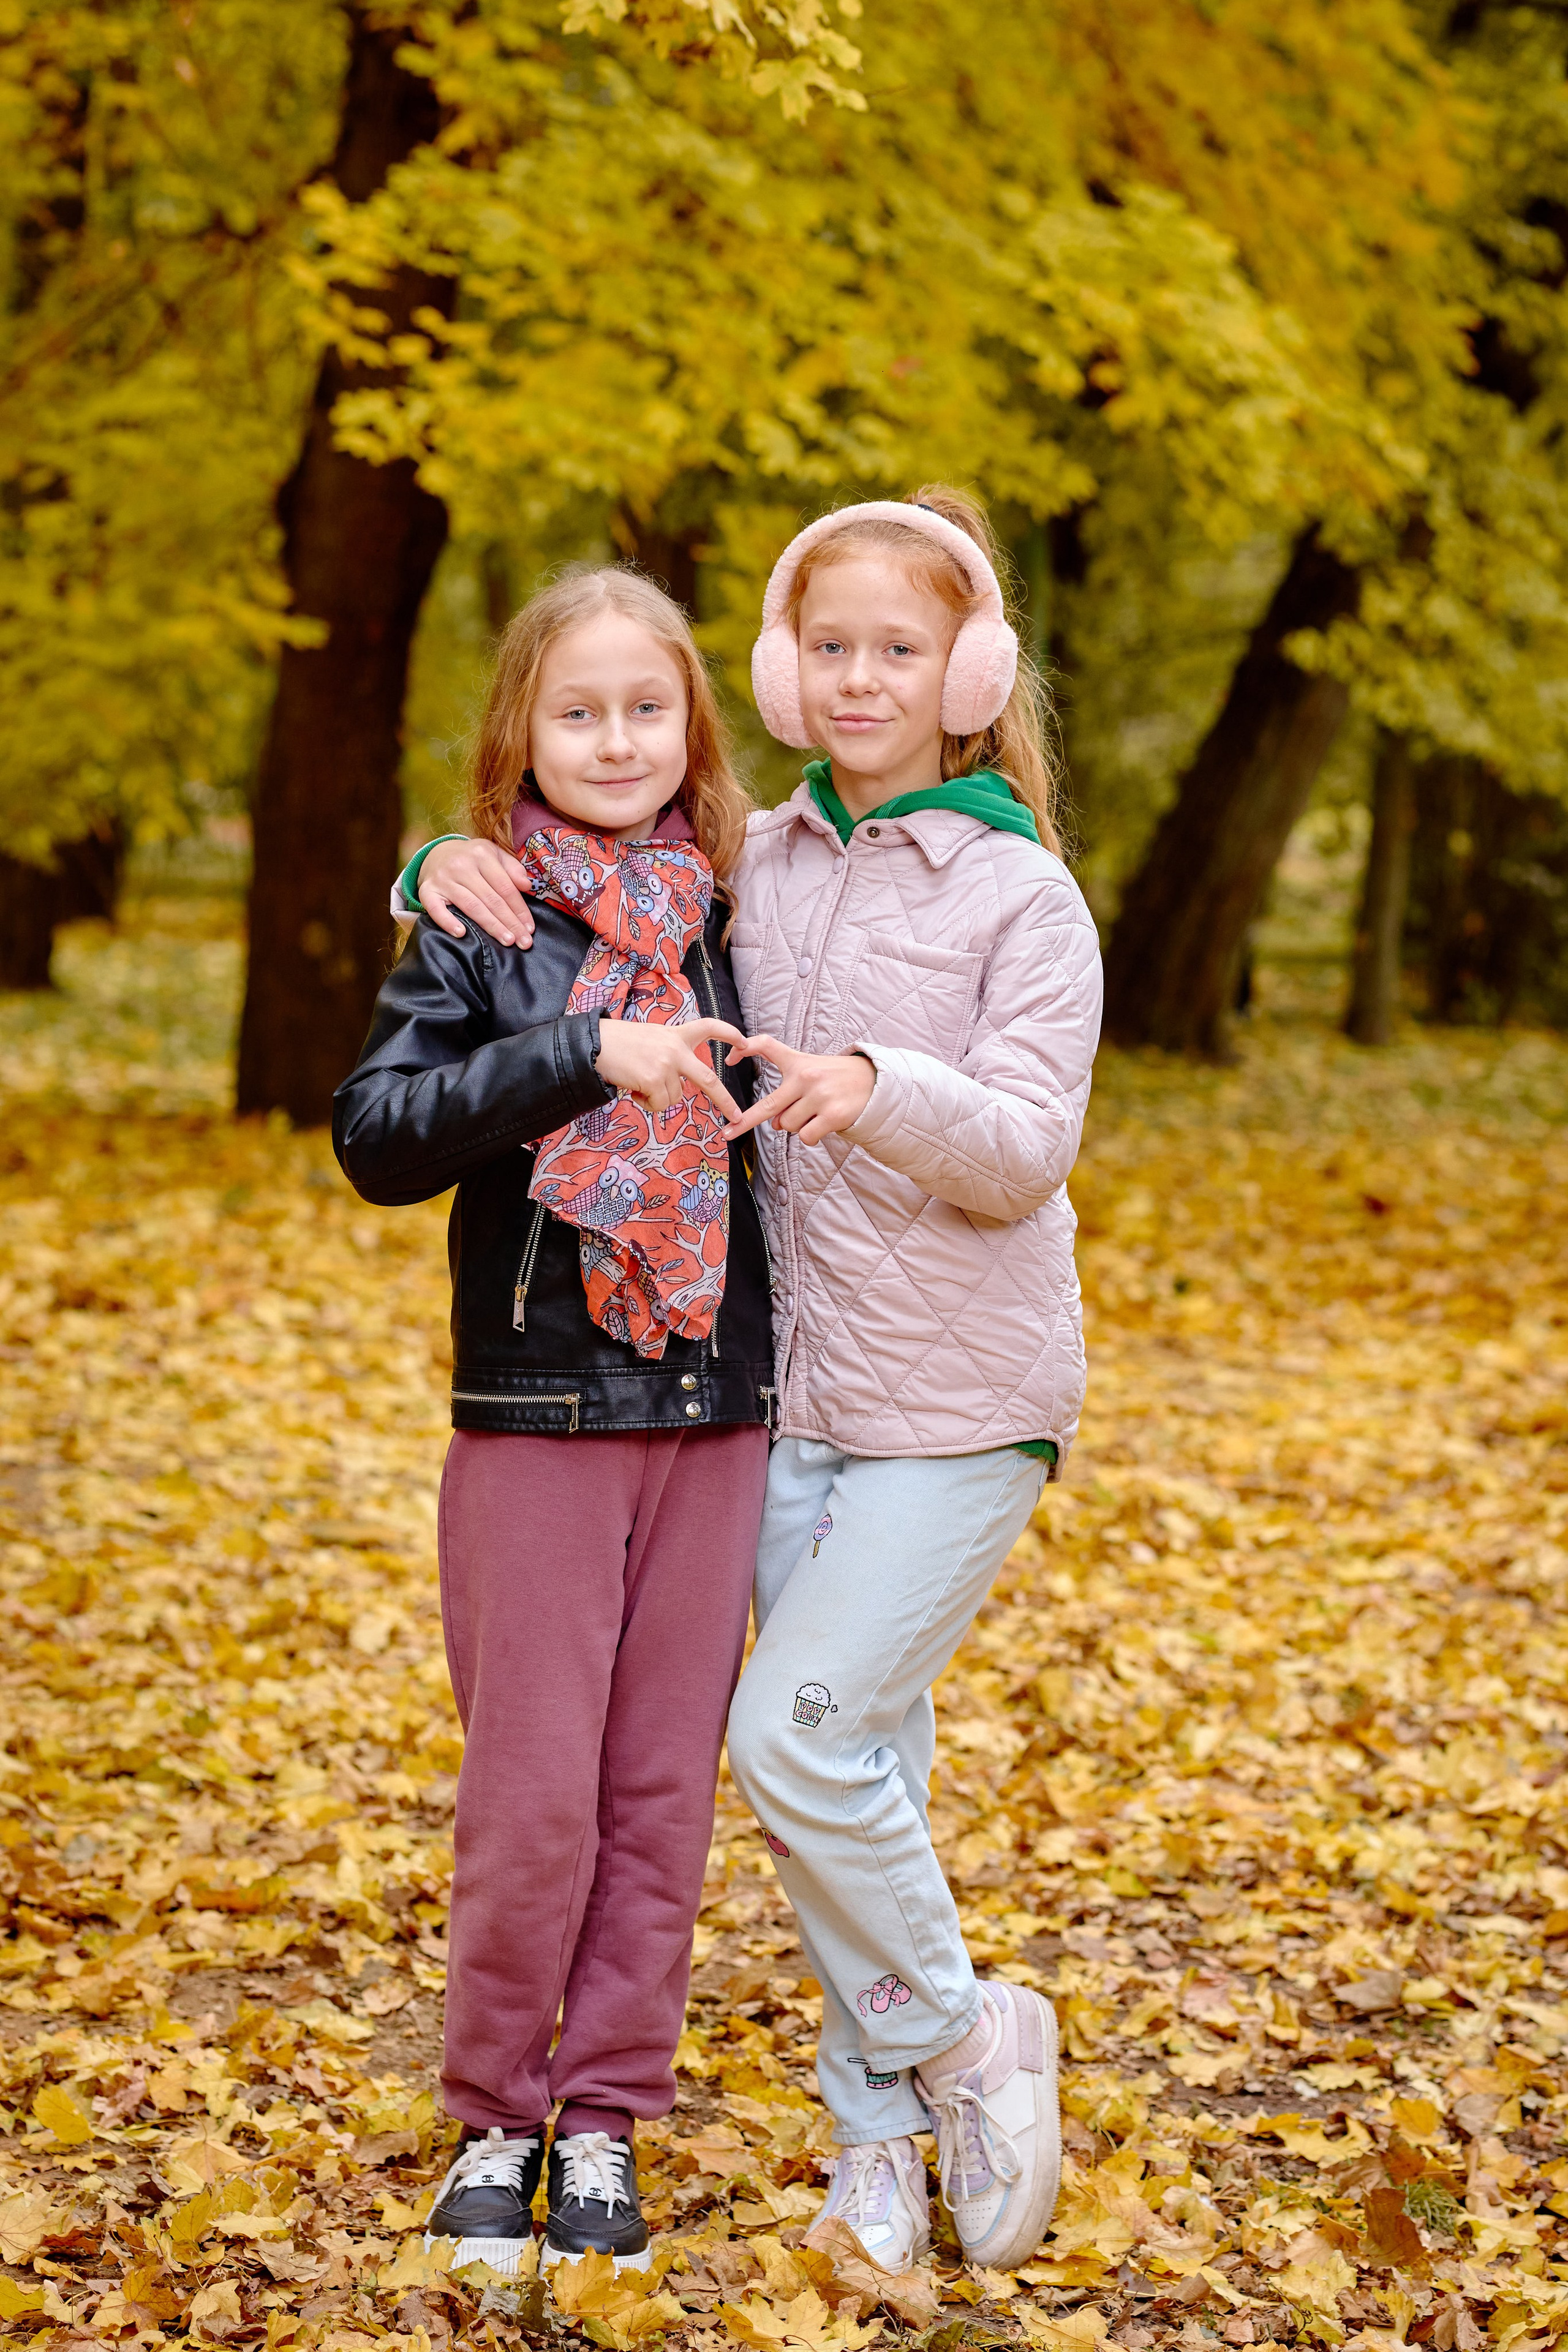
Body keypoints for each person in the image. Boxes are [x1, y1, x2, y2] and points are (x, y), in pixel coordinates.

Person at [408, 487, 1102, 2276]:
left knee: (793, 1735)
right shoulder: (754, 864)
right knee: (857, 1772)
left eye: (902, 649)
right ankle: (874, 2134)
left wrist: (874, 1083)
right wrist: (428, 868)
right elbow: (568, 879)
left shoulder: (1026, 894)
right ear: (785, 674)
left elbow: (1030, 1147)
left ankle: (961, 2033)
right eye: (833, 646)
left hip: (956, 1403)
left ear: (971, 673)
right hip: (778, 1397)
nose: (864, 679)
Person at [333, 567, 774, 2278]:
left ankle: (604, 2121)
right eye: (576, 712)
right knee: (534, 1798)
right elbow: (378, 1137)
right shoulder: (482, 919)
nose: (613, 740)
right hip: (536, 1407)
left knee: (660, 1795)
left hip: (714, 1409)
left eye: (646, 709)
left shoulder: (740, 902)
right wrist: (583, 1050)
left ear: (692, 727)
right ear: (520, 732)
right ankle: (495, 2119)